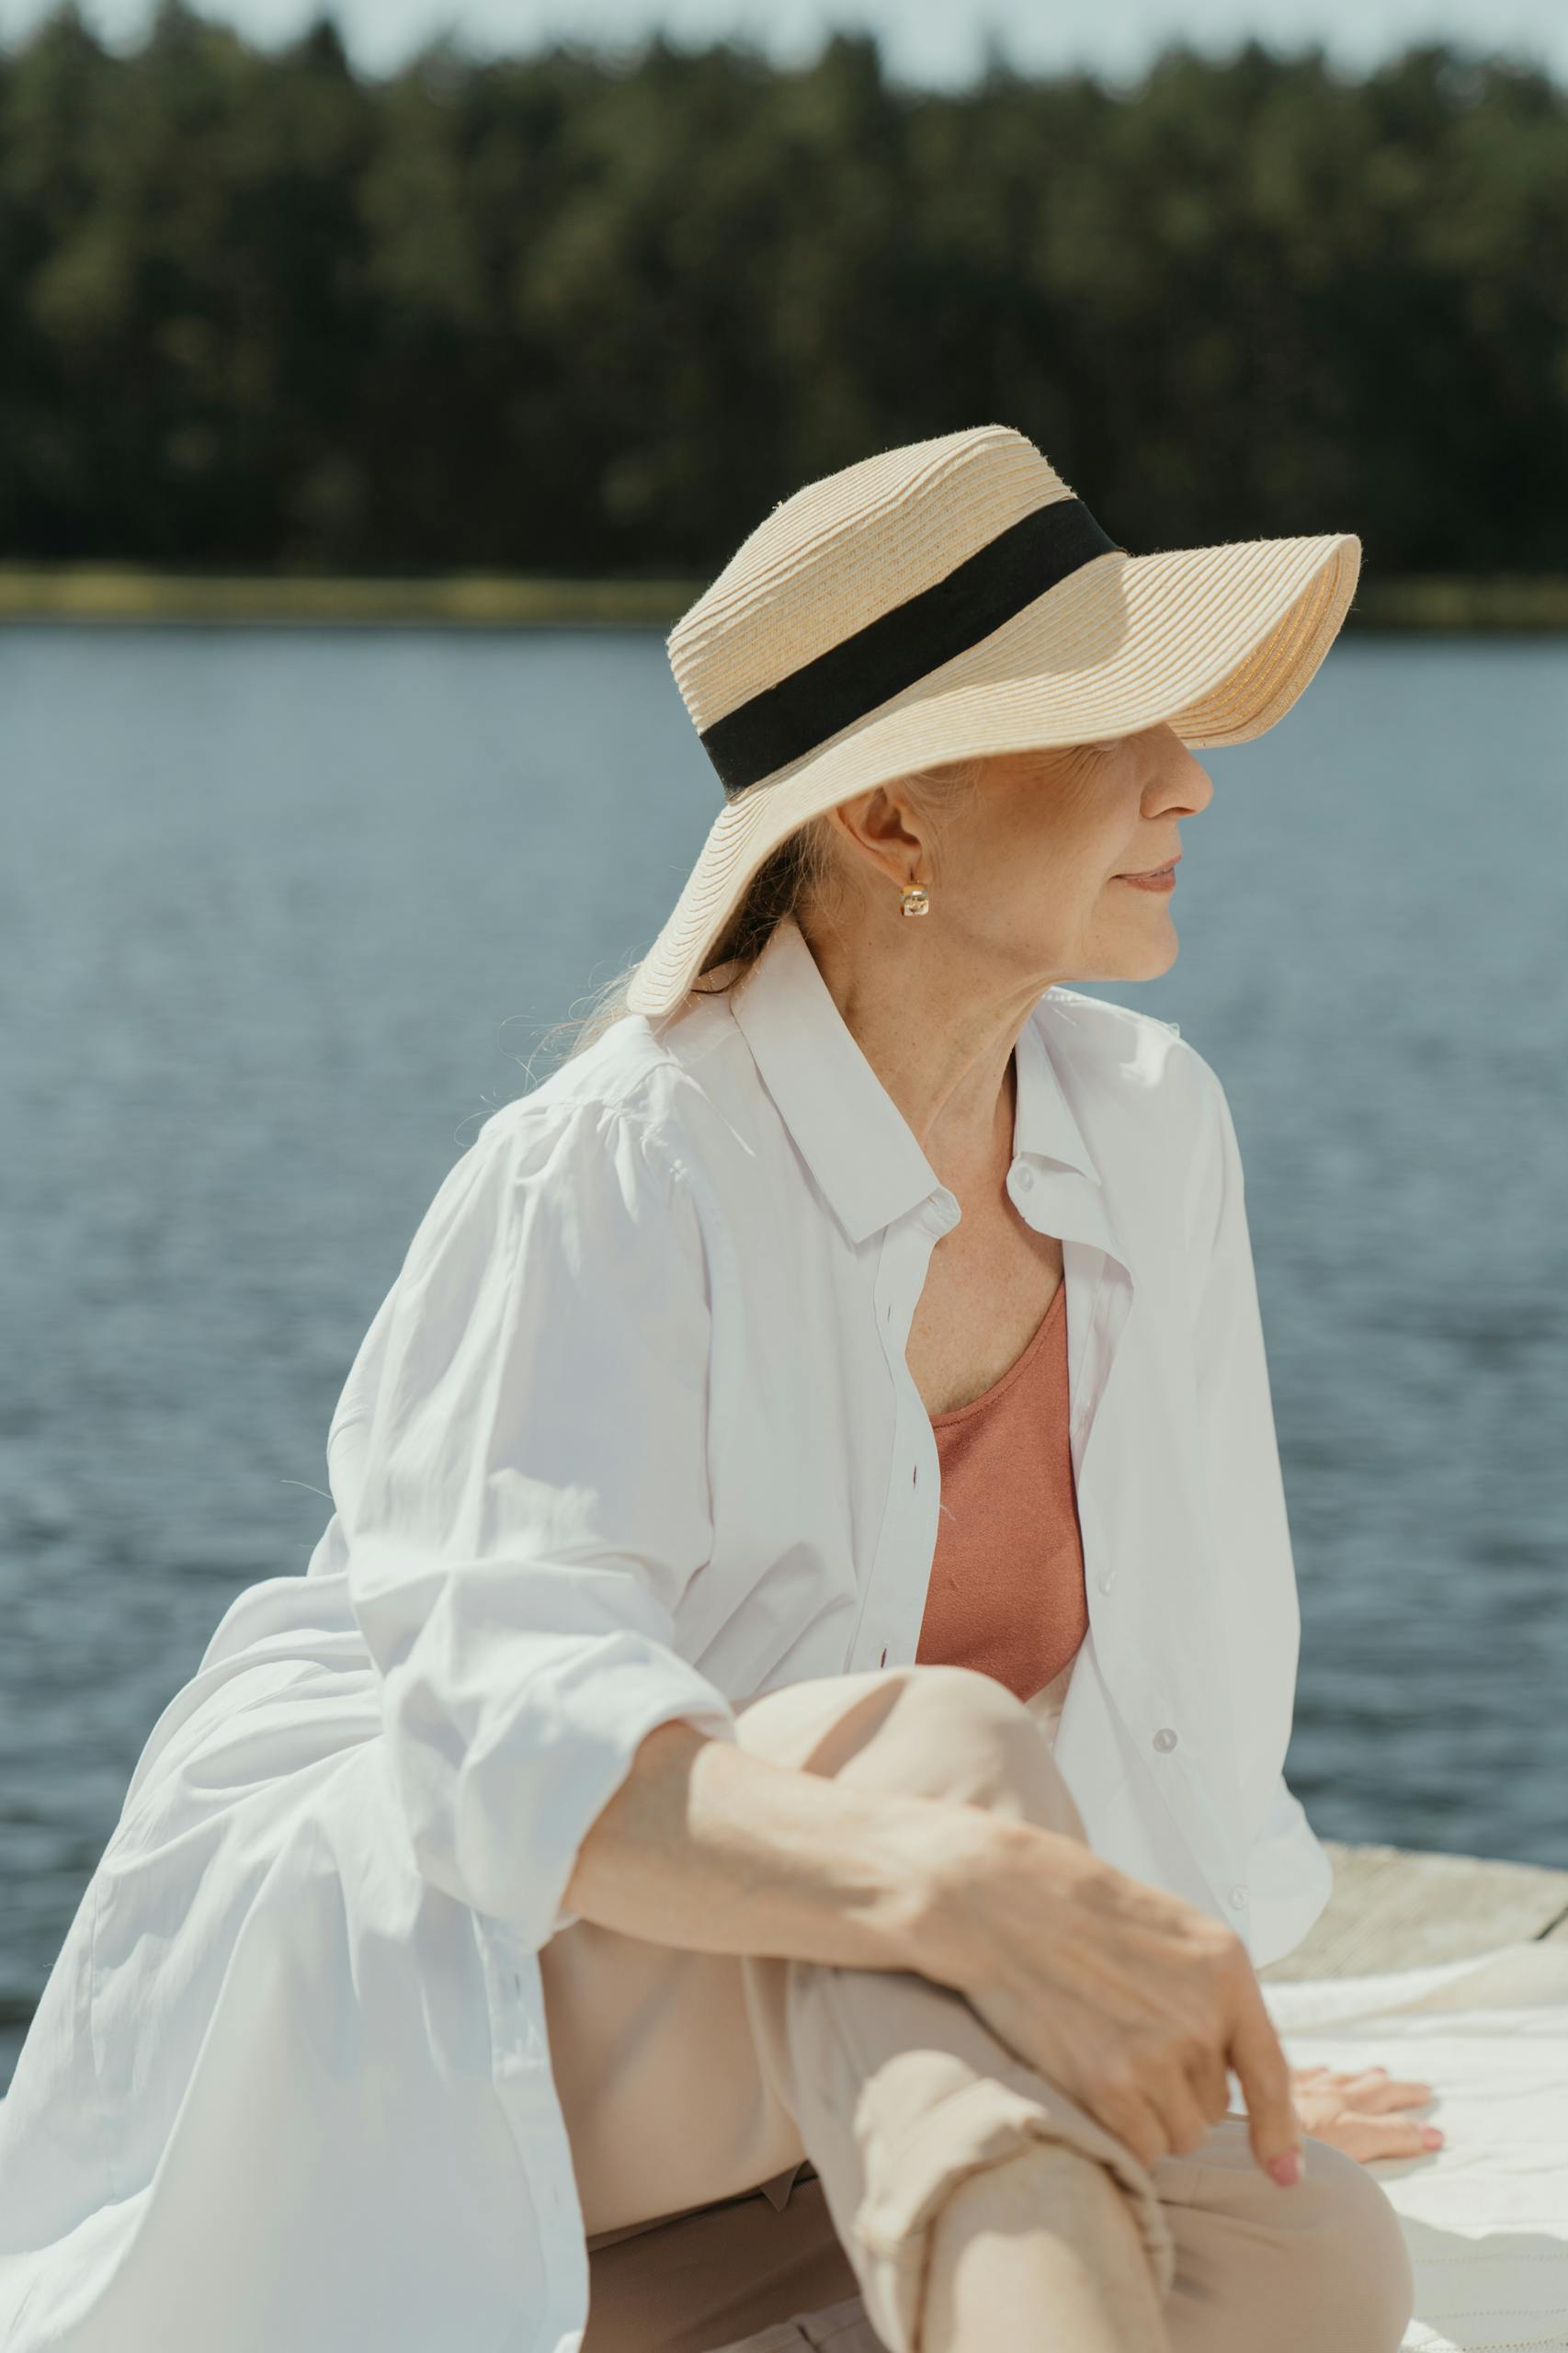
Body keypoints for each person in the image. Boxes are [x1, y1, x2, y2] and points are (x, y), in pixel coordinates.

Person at [0, 424, 1426, 2353]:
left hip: (784, 2065)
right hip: (484, 2009)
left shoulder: (1150, 1129)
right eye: (1114, 726)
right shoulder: (615, 1164)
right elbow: (512, 1748)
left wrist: (1144, 2012)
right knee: (927, 1755)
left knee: (1303, 2256)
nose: (1187, 774)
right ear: (896, 820)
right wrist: (968, 1883)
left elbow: (1179, 1706)